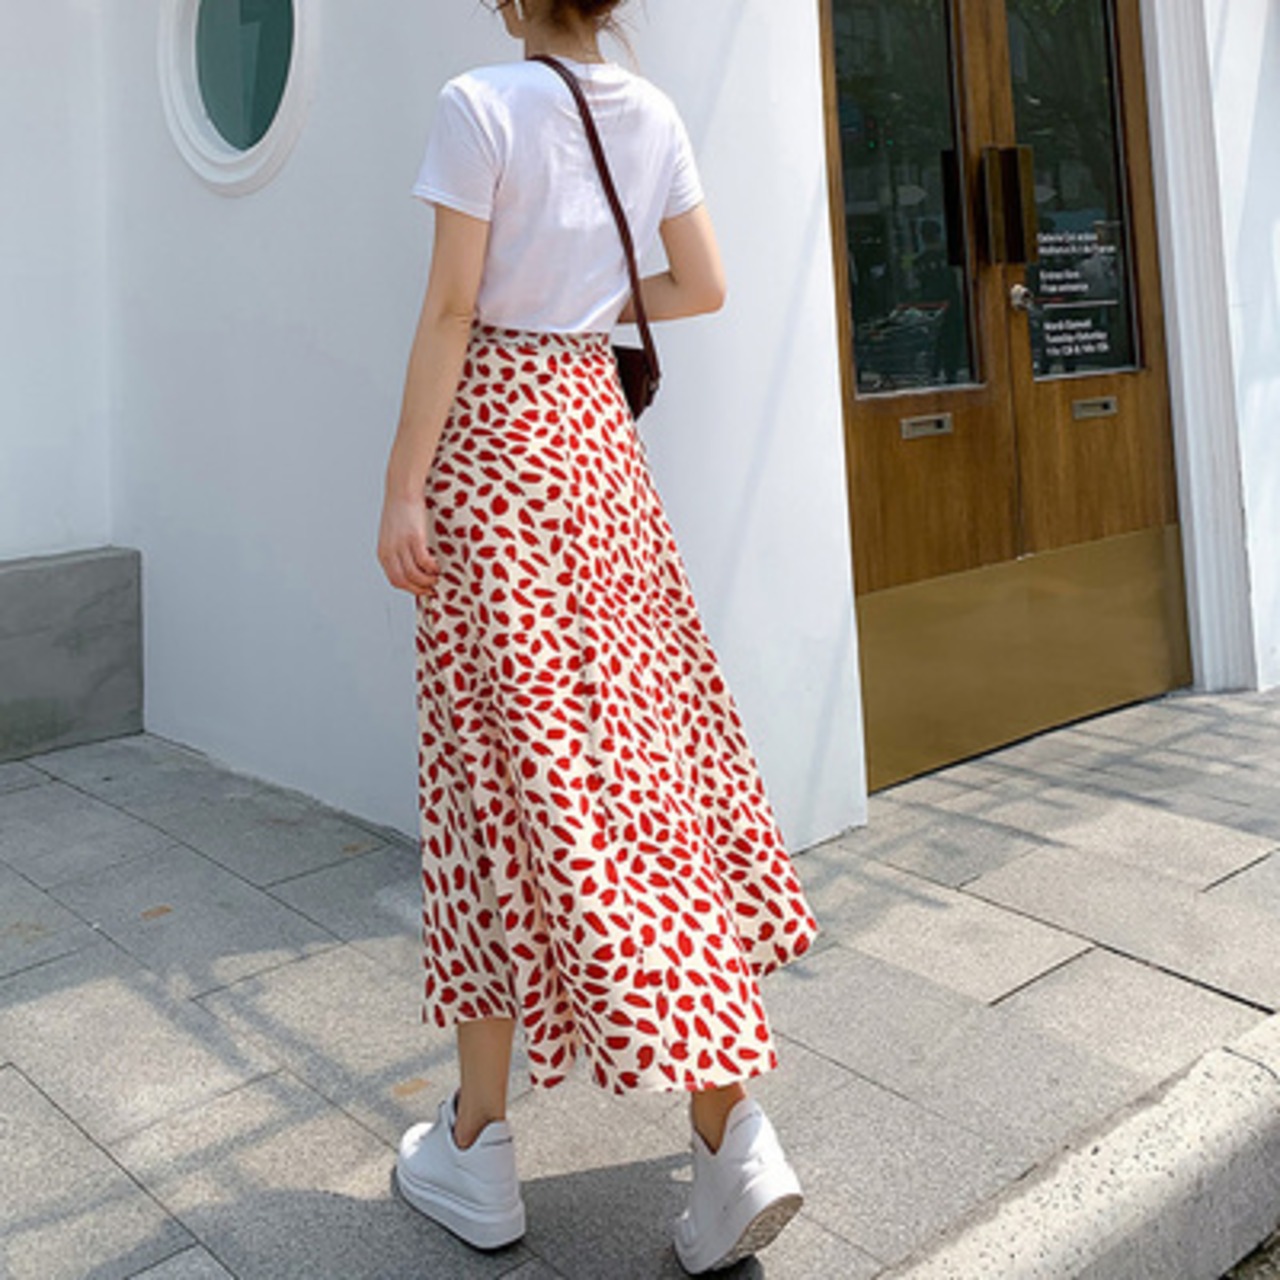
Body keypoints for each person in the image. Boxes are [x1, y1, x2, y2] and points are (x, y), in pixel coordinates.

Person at [376, 1, 819, 1271]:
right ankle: (729, 1134)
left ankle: (478, 1144)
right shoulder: (652, 111)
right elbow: (703, 284)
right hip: (597, 451)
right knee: (642, 768)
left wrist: (402, 487)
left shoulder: (479, 104)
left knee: (487, 783)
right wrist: (581, 286)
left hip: (497, 449)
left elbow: (451, 309)